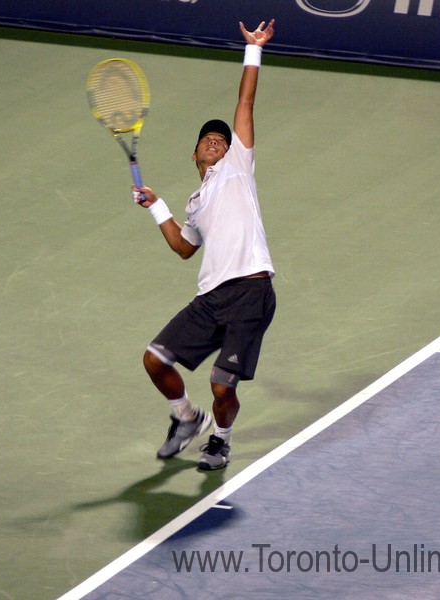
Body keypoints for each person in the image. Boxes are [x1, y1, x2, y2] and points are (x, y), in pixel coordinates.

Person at [133, 19, 277, 471]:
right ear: (194, 154)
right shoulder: (196, 202)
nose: (216, 141)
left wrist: (253, 50)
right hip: (210, 298)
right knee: (154, 359)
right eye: (207, 140)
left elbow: (245, 101)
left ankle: (222, 439)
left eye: (222, 139)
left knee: (221, 385)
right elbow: (183, 247)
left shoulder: (238, 166)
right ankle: (184, 418)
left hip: (251, 292)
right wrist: (159, 207)